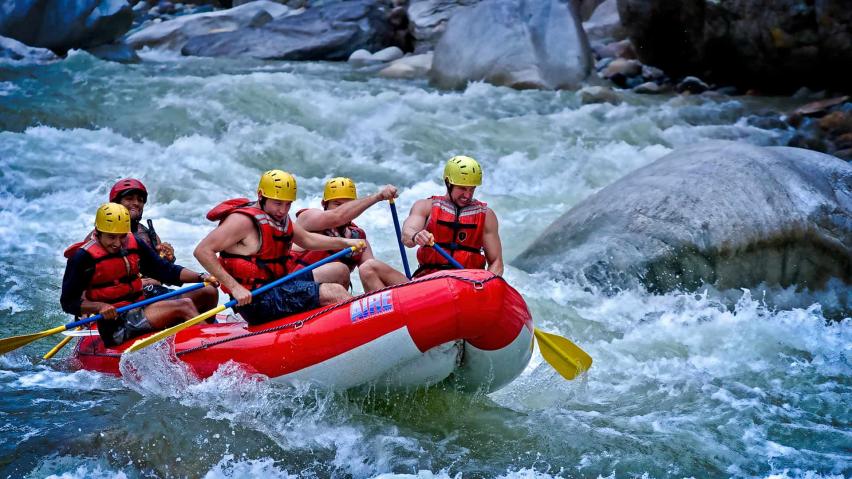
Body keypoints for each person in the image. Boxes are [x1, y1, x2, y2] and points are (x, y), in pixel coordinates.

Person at [194, 170, 365, 326]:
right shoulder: (242, 222)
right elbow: (202, 251)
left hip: (277, 286)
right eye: (277, 203)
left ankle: (325, 326)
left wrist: (345, 243)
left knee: (339, 271)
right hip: (256, 301)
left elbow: (307, 239)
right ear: (261, 196)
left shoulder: (278, 218)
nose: (283, 210)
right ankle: (361, 329)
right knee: (334, 292)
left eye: (287, 204)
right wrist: (235, 288)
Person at [61, 203, 218, 347]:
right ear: (98, 232)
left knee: (208, 291)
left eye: (122, 236)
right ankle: (211, 346)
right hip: (116, 324)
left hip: (142, 305)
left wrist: (201, 276)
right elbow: (68, 302)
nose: (117, 243)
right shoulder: (82, 258)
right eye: (111, 237)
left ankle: (211, 336)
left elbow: (165, 270)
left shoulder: (133, 243)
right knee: (184, 306)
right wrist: (100, 307)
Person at [98, 178, 218, 311]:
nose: (136, 203)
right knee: (184, 305)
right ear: (115, 203)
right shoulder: (100, 237)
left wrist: (169, 260)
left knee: (209, 291)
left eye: (140, 200)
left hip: (154, 293)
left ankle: (207, 328)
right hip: (126, 302)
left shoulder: (148, 235)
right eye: (129, 198)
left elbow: (164, 273)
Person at [290, 177, 405, 292]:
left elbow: (370, 272)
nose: (344, 209)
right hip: (294, 287)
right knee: (340, 270)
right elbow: (337, 216)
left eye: (349, 205)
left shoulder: (357, 236)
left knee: (369, 267)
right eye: (337, 204)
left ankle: (409, 294)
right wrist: (378, 196)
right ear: (324, 204)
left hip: (334, 296)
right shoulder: (308, 218)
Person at [403, 155, 503, 277]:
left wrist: (486, 284)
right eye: (462, 188)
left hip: (468, 283)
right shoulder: (425, 206)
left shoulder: (487, 216)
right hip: (430, 280)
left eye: (472, 189)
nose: (467, 195)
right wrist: (416, 236)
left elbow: (496, 263)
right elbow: (407, 235)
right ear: (448, 183)